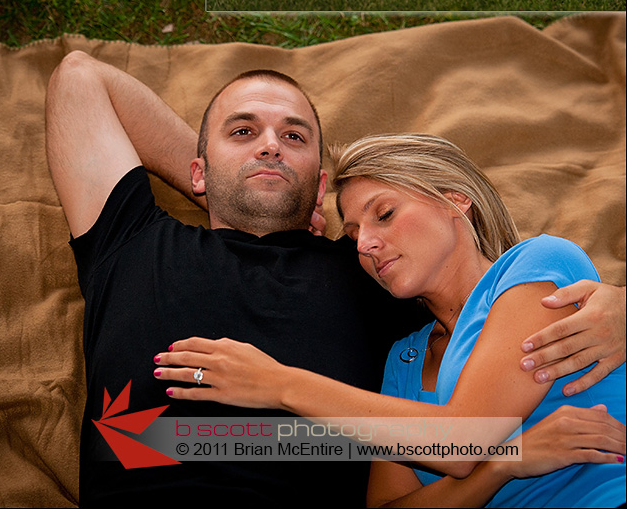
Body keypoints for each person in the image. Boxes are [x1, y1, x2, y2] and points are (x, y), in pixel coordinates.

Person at [45, 58, 625, 506]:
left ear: (319, 180)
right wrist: (224, 182)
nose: (270, 143)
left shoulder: (370, 271)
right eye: (242, 131)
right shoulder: (133, 241)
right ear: (197, 167)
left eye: (293, 137)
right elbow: (80, 79)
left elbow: (479, 303)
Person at [152, 133, 626, 508]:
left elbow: (464, 438)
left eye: (385, 214)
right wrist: (503, 466)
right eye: (354, 233)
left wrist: (278, 384)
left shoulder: (536, 264)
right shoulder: (404, 358)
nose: (364, 245)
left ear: (455, 200)